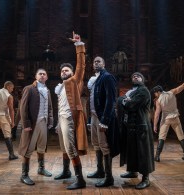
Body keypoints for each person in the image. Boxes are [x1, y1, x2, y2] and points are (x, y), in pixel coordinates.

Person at [54, 32, 88, 190]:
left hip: (69, 118)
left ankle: (80, 179)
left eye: (66, 70)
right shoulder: (60, 88)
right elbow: (61, 106)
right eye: (62, 71)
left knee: (70, 147)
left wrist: (78, 45)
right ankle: (66, 171)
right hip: (61, 119)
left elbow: (81, 66)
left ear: (72, 73)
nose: (64, 73)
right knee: (63, 146)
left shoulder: (74, 81)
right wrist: (56, 123)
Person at [86, 55, 119, 187]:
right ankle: (100, 171)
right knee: (96, 144)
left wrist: (104, 120)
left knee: (105, 146)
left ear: (104, 64)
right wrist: (90, 119)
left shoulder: (107, 77)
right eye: (94, 61)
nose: (96, 63)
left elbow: (111, 100)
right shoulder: (96, 79)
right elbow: (92, 101)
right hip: (94, 116)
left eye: (99, 61)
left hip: (102, 118)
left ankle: (109, 177)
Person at [117, 72, 154, 189]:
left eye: (138, 76)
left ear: (142, 79)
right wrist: (125, 100)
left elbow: (131, 105)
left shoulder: (143, 91)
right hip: (132, 125)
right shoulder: (133, 91)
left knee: (143, 152)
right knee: (132, 150)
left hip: (141, 125)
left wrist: (125, 101)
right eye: (133, 76)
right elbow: (122, 100)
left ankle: (146, 179)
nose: (135, 77)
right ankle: (133, 171)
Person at [18, 68, 54, 185]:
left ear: (47, 77)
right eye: (40, 74)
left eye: (44, 74)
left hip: (43, 123)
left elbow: (49, 108)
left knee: (41, 147)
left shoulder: (47, 90)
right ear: (36, 76)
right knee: (28, 148)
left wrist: (50, 120)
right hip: (32, 124)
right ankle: (24, 175)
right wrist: (26, 124)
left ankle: (41, 168)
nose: (42, 75)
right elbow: (23, 108)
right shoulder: (29, 88)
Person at [152, 74, 184, 162]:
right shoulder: (172, 92)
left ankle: (157, 156)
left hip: (166, 119)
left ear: (158, 92)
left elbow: (157, 114)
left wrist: (154, 125)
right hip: (175, 118)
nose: (155, 95)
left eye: (155, 93)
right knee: (181, 136)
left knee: (162, 137)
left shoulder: (158, 100)